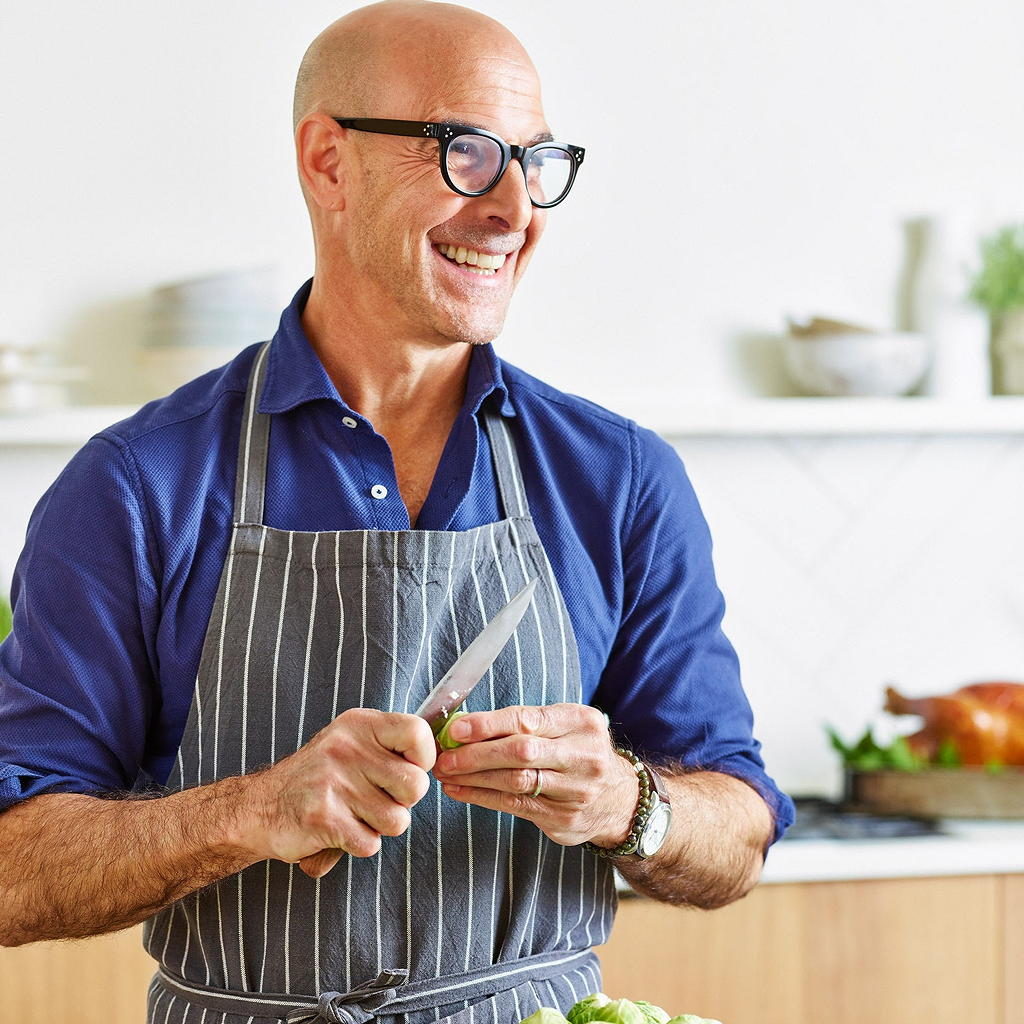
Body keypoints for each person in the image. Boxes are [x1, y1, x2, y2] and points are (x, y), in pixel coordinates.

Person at [0, 2, 794, 1021]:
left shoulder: (619, 478)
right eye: (467, 152)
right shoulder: (138, 485)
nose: (515, 209)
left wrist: (623, 801)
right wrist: (249, 810)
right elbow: (15, 870)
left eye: (535, 160)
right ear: (328, 161)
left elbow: (737, 834)